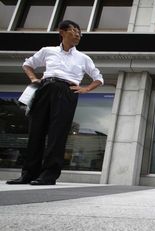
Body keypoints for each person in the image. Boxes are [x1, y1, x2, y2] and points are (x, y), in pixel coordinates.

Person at [6, 20, 103, 185]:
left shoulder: (83, 58)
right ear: (62, 32)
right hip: (44, 88)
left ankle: (48, 175)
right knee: (36, 131)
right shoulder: (47, 51)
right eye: (74, 30)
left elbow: (98, 78)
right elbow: (27, 65)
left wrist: (85, 89)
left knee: (57, 134)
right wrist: (33, 79)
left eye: (80, 32)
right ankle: (28, 174)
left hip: (67, 91)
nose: (78, 34)